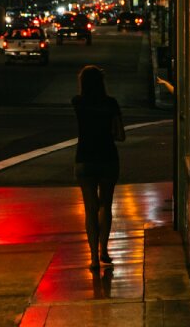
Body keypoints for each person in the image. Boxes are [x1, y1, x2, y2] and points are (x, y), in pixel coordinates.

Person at [72, 64, 123, 271]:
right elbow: (120, 135)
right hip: (108, 157)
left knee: (90, 208)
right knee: (106, 206)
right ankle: (104, 250)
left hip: (84, 157)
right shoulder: (111, 103)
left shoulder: (77, 102)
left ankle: (93, 257)